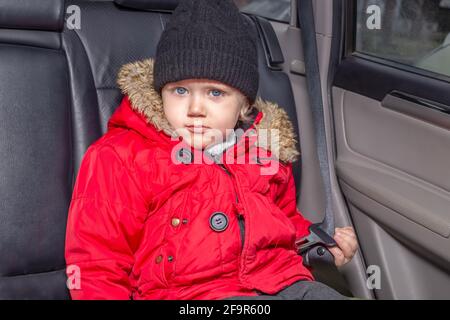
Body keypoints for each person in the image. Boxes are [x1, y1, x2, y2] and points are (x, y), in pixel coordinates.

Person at [65, 0, 358, 300]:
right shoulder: (122, 156)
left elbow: (282, 221)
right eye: (179, 90)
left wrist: (316, 240)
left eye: (215, 93)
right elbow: (97, 264)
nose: (194, 109)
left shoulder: (265, 148)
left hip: (283, 281)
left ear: (244, 104)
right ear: (160, 90)